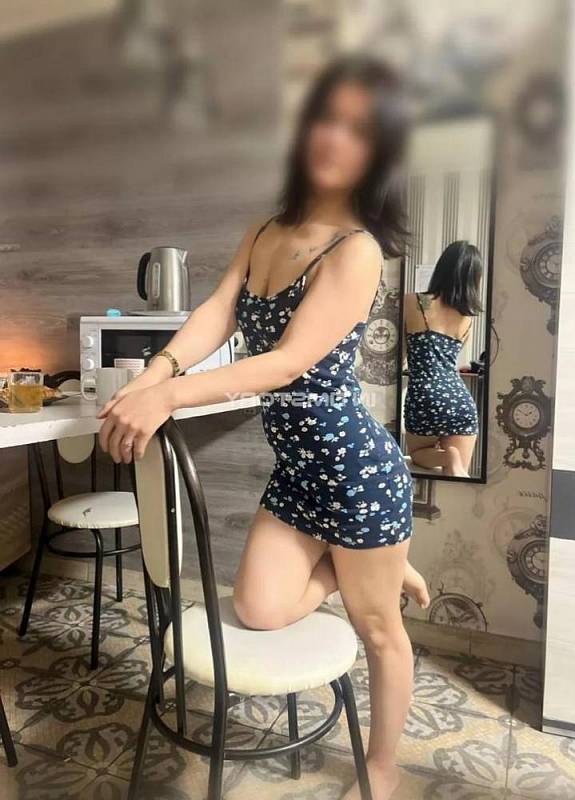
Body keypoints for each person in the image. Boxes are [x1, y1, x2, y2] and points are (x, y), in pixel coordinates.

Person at [98, 55, 428, 800]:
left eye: (359, 130)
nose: (334, 138)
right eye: (327, 118)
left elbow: (284, 364)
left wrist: (170, 397)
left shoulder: (357, 250)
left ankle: (382, 766)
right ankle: (368, 568)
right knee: (258, 608)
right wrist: (154, 374)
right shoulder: (266, 230)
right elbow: (217, 313)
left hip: (357, 475)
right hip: (297, 474)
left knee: (380, 630)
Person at [403, 240, 483, 477]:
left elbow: (400, 357)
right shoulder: (466, 318)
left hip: (425, 395)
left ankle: (447, 455)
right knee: (457, 478)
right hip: (460, 400)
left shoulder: (416, 301)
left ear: (442, 268)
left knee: (418, 454)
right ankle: (452, 458)